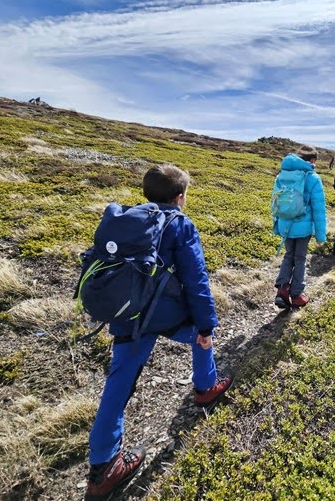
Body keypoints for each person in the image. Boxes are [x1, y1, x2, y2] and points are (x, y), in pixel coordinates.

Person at [85, 165, 232, 501]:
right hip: (165, 313)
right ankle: (206, 387)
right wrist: (207, 324)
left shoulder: (125, 218)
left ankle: (102, 466)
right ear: (180, 197)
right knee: (200, 334)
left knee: (119, 381)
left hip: (128, 311)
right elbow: (196, 280)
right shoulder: (180, 223)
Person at [273, 145, 327, 309]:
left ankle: (282, 291)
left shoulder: (282, 175)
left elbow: (275, 202)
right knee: (300, 259)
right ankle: (296, 295)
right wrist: (320, 235)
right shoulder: (313, 178)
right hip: (303, 229)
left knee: (289, 255)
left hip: (286, 224)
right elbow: (319, 210)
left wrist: (277, 225)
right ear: (312, 160)